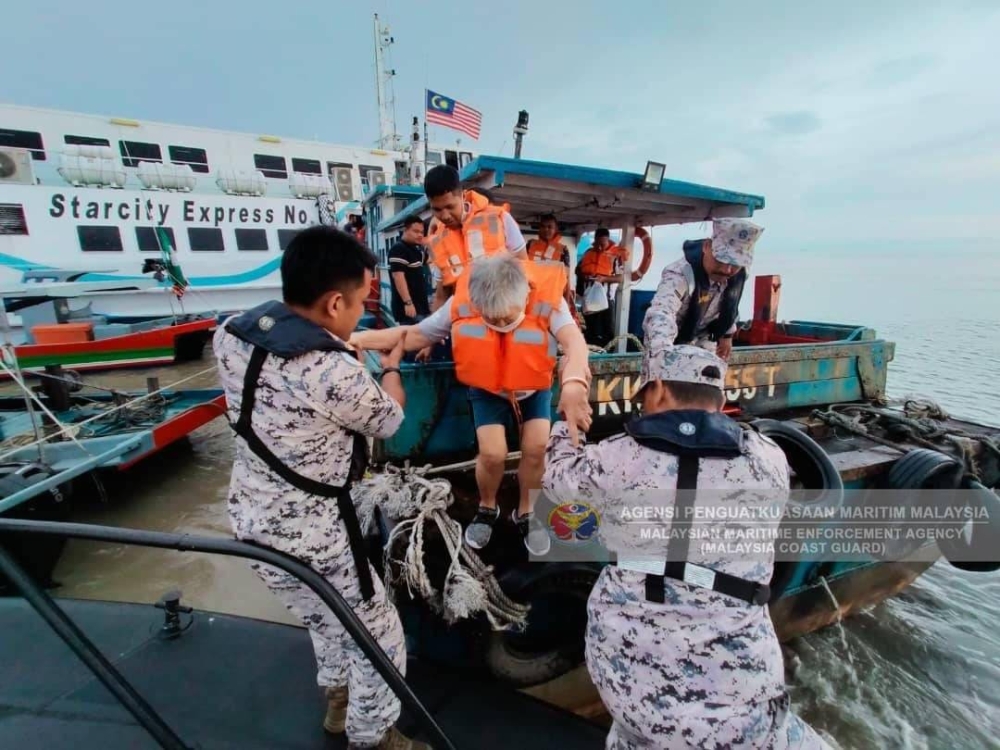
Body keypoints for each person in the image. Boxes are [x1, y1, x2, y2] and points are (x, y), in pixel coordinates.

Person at [542, 345, 830, 749]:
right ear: (722, 400)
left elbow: (557, 480)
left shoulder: (616, 457)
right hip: (739, 694)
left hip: (629, 678)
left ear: (657, 391)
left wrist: (565, 423)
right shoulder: (769, 460)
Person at [213, 226, 426, 750]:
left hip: (250, 518)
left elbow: (295, 362)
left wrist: (348, 345)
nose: (360, 315)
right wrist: (392, 365)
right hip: (315, 535)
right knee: (378, 632)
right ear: (334, 302)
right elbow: (389, 420)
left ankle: (337, 702)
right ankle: (372, 737)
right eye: (358, 304)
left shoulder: (231, 334)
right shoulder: (332, 372)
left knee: (324, 615)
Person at [350, 254, 592, 554]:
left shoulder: (549, 302)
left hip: (533, 389)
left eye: (507, 317)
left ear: (525, 295)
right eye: (492, 319)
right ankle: (487, 508)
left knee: (536, 448)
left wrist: (573, 384)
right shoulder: (461, 304)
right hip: (487, 388)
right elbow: (412, 335)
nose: (501, 324)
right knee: (492, 454)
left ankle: (527, 511)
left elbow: (574, 343)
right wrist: (358, 340)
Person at [643, 218, 763, 361]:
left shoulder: (738, 274)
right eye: (721, 260)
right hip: (670, 342)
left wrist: (727, 335)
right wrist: (661, 351)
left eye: (735, 264)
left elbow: (731, 303)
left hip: (704, 339)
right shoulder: (679, 274)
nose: (727, 270)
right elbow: (661, 312)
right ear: (707, 246)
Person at [422, 164, 527, 310]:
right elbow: (441, 295)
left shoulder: (501, 218)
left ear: (462, 195)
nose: (445, 216)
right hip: (466, 324)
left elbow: (525, 269)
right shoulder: (438, 240)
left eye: (450, 207)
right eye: (437, 210)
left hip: (504, 315)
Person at [576, 227, 629, 348]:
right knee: (590, 330)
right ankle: (591, 355)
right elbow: (578, 270)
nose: (599, 247)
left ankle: (606, 357)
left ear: (608, 241)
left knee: (607, 331)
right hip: (589, 298)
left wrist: (604, 279)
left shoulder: (615, 257)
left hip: (606, 299)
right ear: (594, 240)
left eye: (602, 244)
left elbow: (620, 278)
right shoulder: (588, 253)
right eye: (597, 244)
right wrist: (584, 276)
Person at [526, 213, 578, 322]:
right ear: (539, 228)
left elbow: (566, 278)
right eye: (543, 226)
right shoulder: (530, 245)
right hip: (531, 296)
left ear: (556, 229)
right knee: (531, 325)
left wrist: (567, 302)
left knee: (549, 326)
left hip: (553, 297)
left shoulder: (563, 250)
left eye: (550, 227)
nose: (546, 229)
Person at [388, 215, 430, 324]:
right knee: (413, 338)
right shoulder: (399, 249)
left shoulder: (416, 249)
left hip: (421, 306)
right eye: (416, 231)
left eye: (422, 232)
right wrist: (408, 303)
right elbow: (398, 276)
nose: (420, 235)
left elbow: (431, 260)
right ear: (405, 230)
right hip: (410, 308)